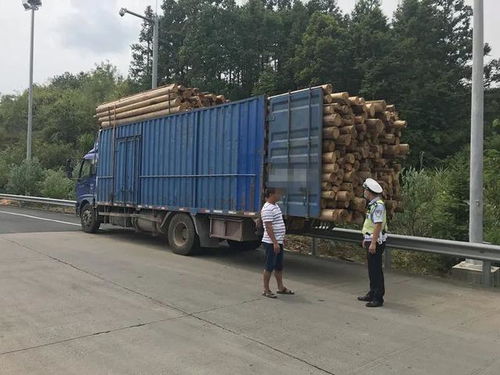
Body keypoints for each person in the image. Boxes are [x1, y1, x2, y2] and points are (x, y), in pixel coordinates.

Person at [358, 178, 387, 308]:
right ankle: (372, 292)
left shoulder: (378, 205)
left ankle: (378, 297)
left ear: (369, 192)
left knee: (376, 270)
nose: (364, 191)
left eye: (365, 189)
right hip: (371, 239)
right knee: (371, 269)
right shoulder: (373, 204)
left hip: (376, 241)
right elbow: (369, 225)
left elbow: (378, 225)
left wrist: (373, 243)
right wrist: (367, 238)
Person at [261, 188, 294, 298]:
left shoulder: (275, 206)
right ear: (271, 194)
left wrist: (281, 239)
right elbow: (268, 227)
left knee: (279, 266)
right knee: (269, 266)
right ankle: (266, 289)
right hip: (270, 242)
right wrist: (275, 242)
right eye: (277, 193)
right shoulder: (267, 208)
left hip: (277, 241)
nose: (280, 195)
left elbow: (278, 224)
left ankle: (281, 287)